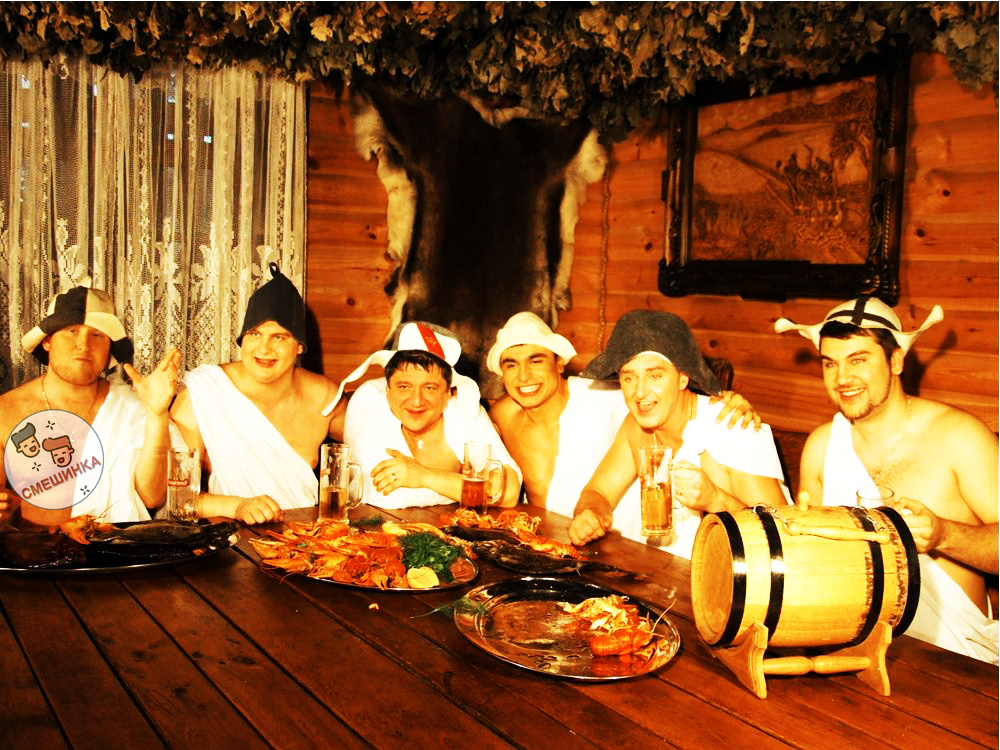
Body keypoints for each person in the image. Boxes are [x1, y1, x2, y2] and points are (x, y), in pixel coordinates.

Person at [775, 297, 998, 663]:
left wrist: (944, 534)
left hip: (953, 656)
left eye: (858, 360)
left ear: (896, 361)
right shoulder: (822, 446)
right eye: (830, 363)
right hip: (852, 646)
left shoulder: (960, 437)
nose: (842, 378)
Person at [486, 311, 763, 520]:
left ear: (559, 363)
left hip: (618, 536)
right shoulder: (501, 413)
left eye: (535, 361)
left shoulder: (605, 395)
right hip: (544, 531)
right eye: (511, 365)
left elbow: (658, 397)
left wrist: (724, 398)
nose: (524, 377)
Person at [568, 310, 789, 557]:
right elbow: (597, 492)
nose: (640, 393)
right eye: (629, 378)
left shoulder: (733, 427)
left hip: (734, 575)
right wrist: (591, 515)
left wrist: (716, 500)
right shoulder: (635, 426)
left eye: (654, 376)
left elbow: (783, 538)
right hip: (662, 570)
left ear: (683, 377)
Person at [170, 263, 345, 524]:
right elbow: (178, 498)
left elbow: (372, 446)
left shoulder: (325, 398)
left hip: (305, 535)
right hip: (232, 536)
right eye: (254, 334)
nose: (263, 349)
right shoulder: (204, 393)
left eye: (279, 337)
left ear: (299, 345)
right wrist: (237, 507)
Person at [0, 285, 180, 527]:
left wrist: (157, 414)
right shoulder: (6, 412)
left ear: (109, 350)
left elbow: (152, 498)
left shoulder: (134, 408)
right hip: (33, 547)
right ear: (47, 341)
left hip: (118, 545)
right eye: (71, 331)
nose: (83, 344)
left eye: (97, 335)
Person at [342, 321, 521, 509]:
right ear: (388, 389)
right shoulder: (369, 400)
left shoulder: (464, 407)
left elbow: (509, 492)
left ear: (449, 392)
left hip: (451, 525)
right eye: (404, 387)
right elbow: (383, 496)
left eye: (430, 388)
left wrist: (422, 476)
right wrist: (467, 487)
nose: (416, 401)